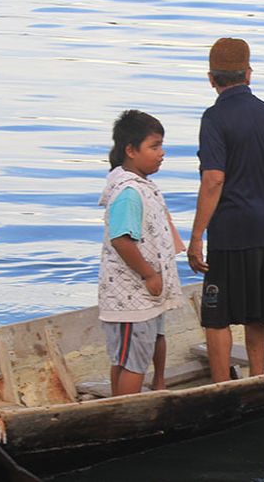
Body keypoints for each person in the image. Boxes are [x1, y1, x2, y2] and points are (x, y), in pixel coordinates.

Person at [187, 37, 264, 383]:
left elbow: (214, 179)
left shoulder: (214, 118)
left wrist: (197, 235)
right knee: (255, 312)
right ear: (248, 74)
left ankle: (222, 387)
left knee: (216, 315)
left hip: (229, 230)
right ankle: (258, 378)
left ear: (211, 78)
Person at [98, 110, 184, 395]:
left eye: (161, 146)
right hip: (131, 296)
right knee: (131, 361)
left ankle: (158, 388)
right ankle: (122, 412)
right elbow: (121, 240)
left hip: (147, 294)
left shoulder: (143, 186)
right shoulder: (128, 193)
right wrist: (148, 274)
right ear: (131, 151)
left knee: (152, 341)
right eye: (154, 146)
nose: (162, 153)